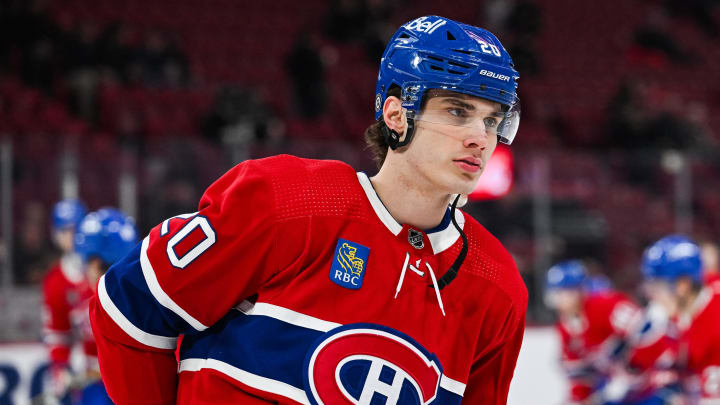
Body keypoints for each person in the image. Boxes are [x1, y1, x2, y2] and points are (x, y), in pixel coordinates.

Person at [90, 15, 527, 404]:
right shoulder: (286, 203)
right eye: (457, 110)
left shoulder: (498, 290)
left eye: (492, 120)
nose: (480, 138)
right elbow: (128, 309)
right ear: (397, 114)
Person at [44, 206, 138, 405]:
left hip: (136, 379)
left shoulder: (139, 292)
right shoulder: (72, 288)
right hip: (96, 384)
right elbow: (59, 334)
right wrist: (60, 367)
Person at [544, 260, 668, 404]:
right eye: (554, 295)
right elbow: (579, 374)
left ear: (578, 291)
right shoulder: (565, 328)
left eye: (562, 293)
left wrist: (632, 371)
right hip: (615, 390)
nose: (558, 301)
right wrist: (578, 400)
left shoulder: (604, 306)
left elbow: (647, 332)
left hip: (652, 386)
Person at [642, 235, 720, 402]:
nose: (653, 295)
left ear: (683, 285)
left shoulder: (715, 322)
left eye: (658, 286)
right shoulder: (676, 313)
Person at [42, 199, 90, 403]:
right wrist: (60, 370)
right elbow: (58, 337)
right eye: (65, 230)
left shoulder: (106, 264)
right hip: (91, 371)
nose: (71, 236)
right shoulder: (55, 282)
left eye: (75, 228)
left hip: (124, 359)